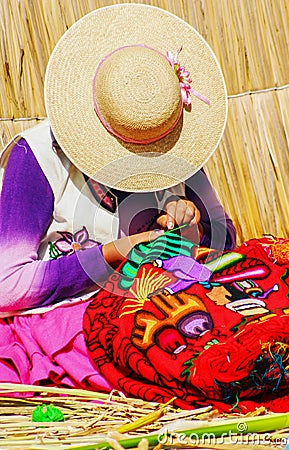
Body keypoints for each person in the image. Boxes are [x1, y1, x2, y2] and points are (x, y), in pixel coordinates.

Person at [0, 4, 236, 316]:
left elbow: (226, 235)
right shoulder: (38, 156)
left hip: (160, 298)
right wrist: (119, 251)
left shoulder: (165, 131)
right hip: (72, 314)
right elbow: (8, 287)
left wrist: (191, 226)